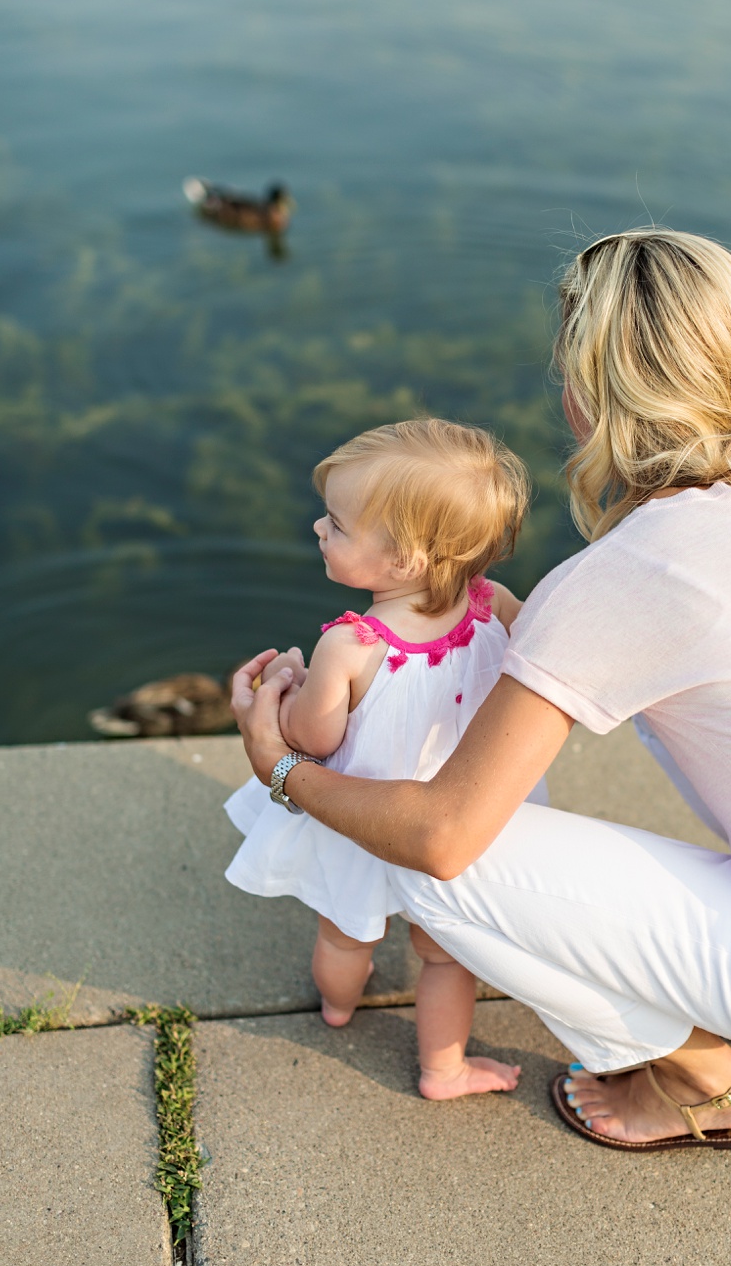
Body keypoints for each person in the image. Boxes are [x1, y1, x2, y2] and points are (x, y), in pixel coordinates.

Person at [231, 228, 731, 1154]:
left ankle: (708, 1083)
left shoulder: (629, 577)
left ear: (589, 398)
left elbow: (440, 836)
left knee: (424, 863)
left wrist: (281, 771)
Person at [224, 418, 547, 1100]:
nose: (318, 529)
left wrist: (274, 694)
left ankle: (339, 1007)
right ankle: (444, 1068)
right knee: (445, 957)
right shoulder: (494, 604)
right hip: (460, 815)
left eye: (336, 526)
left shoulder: (352, 645)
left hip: (367, 824)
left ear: (402, 562)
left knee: (344, 938)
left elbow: (313, 740)